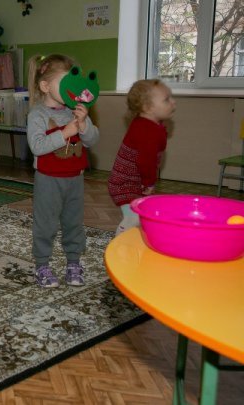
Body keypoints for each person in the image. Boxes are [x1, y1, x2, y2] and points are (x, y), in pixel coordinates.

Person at [26, 54, 100, 288]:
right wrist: (64, 133)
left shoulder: (73, 111)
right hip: (48, 179)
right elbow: (37, 146)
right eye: (66, 82)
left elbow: (92, 141)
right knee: (45, 223)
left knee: (73, 223)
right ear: (45, 86)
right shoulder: (37, 114)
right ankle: (42, 264)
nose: (73, 89)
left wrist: (84, 124)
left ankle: (73, 262)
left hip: (75, 179)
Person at [108, 79, 174, 235]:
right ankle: (119, 245)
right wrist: (148, 182)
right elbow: (146, 160)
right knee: (134, 218)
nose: (173, 102)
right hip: (126, 184)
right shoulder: (147, 130)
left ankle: (136, 242)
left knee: (141, 216)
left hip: (133, 182)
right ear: (147, 107)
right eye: (166, 99)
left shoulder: (148, 123)